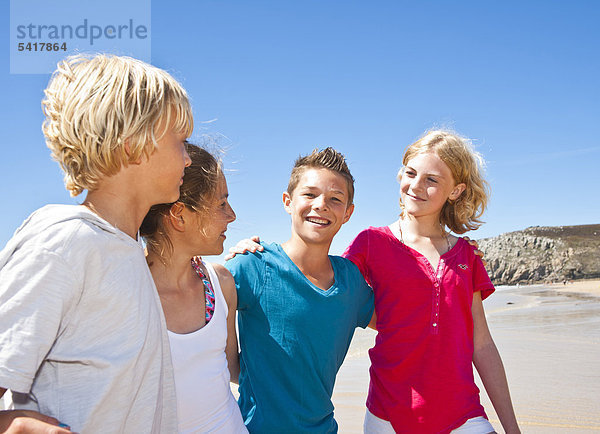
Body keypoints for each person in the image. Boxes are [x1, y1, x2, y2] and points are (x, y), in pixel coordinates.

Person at [0, 53, 193, 432]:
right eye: (181, 141)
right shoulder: (66, 239)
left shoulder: (127, 251)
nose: (188, 158)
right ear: (133, 144)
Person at [343, 130, 520, 433]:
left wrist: (512, 428)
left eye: (432, 180)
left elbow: (483, 344)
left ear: (455, 191)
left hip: (463, 414)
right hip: (388, 415)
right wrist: (258, 254)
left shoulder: (467, 255)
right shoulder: (371, 242)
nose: (416, 186)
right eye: (411, 173)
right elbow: (325, 288)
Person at [225, 148, 375, 433]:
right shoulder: (251, 265)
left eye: (335, 199)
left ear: (348, 213)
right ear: (287, 201)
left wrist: (450, 257)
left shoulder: (350, 281)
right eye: (309, 194)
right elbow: (209, 348)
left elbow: (404, 324)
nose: (321, 205)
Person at [140, 143, 247, 433]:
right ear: (179, 215)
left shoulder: (221, 283)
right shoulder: (127, 293)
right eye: (221, 204)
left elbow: (232, 369)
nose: (232, 215)